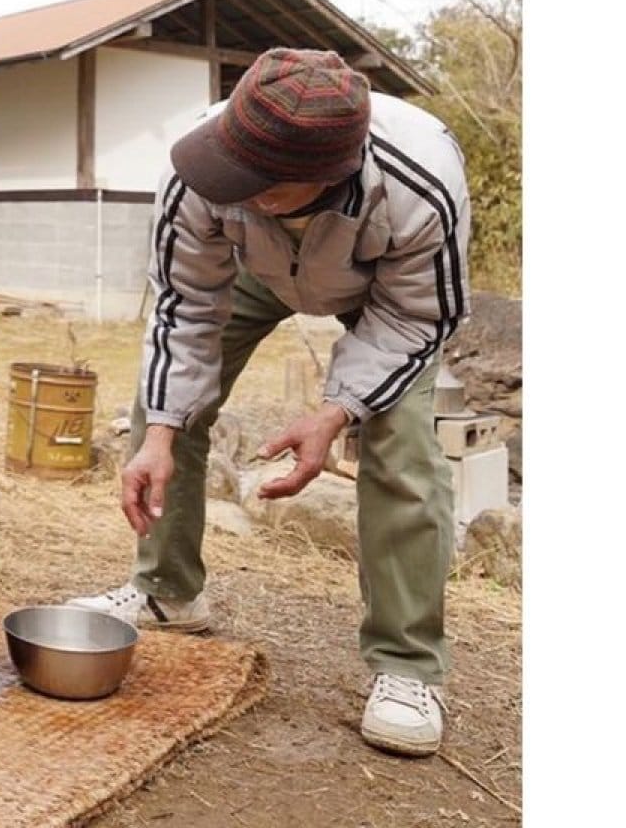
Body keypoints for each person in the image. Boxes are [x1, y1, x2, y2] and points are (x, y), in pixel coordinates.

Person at [69, 48, 470, 757]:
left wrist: (336, 409)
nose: (224, 183)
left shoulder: (421, 182)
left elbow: (417, 319)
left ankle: (407, 667)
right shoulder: (202, 164)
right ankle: (168, 589)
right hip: (254, 267)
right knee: (165, 405)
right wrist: (159, 432)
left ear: (319, 177)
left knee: (403, 447)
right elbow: (184, 307)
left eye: (250, 181)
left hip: (381, 291)